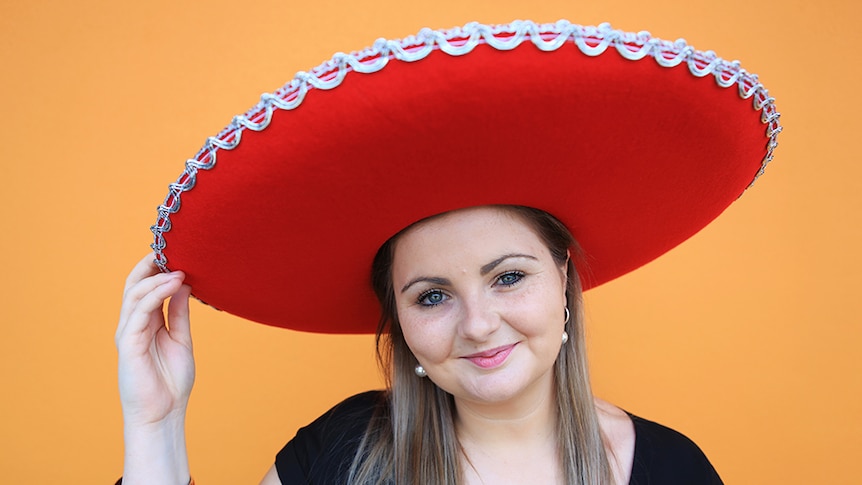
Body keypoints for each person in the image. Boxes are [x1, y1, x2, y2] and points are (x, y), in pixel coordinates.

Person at [116, 20, 780, 484]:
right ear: (400, 323)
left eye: (509, 276)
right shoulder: (343, 454)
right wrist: (157, 423)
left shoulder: (672, 469)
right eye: (432, 294)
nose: (479, 323)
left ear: (565, 280)